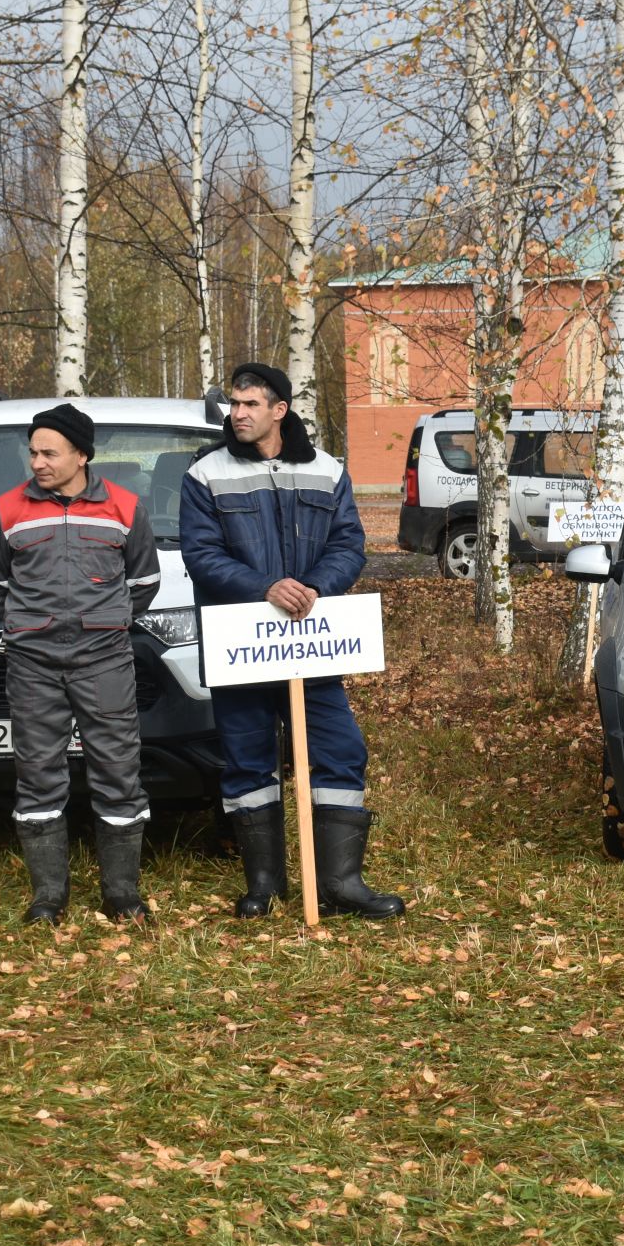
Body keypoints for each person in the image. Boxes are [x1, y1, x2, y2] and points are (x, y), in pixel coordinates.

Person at [180, 362, 404, 920]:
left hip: (313, 642)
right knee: (247, 759)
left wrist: (314, 587)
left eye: (251, 404)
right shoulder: (205, 474)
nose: (238, 414)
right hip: (244, 644)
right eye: (235, 405)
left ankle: (340, 884)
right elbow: (201, 556)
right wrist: (265, 587)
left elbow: (350, 545)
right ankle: (265, 886)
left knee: (340, 751)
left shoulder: (328, 471)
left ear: (279, 410)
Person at [0, 403, 161, 925]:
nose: (37, 462)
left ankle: (122, 895)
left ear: (82, 455)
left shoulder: (125, 507)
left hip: (105, 661)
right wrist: (31, 625)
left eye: (49, 453)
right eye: (32, 452)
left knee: (119, 772)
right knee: (37, 775)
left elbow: (144, 584)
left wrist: (104, 622)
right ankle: (47, 899)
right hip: (33, 664)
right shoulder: (7, 509)